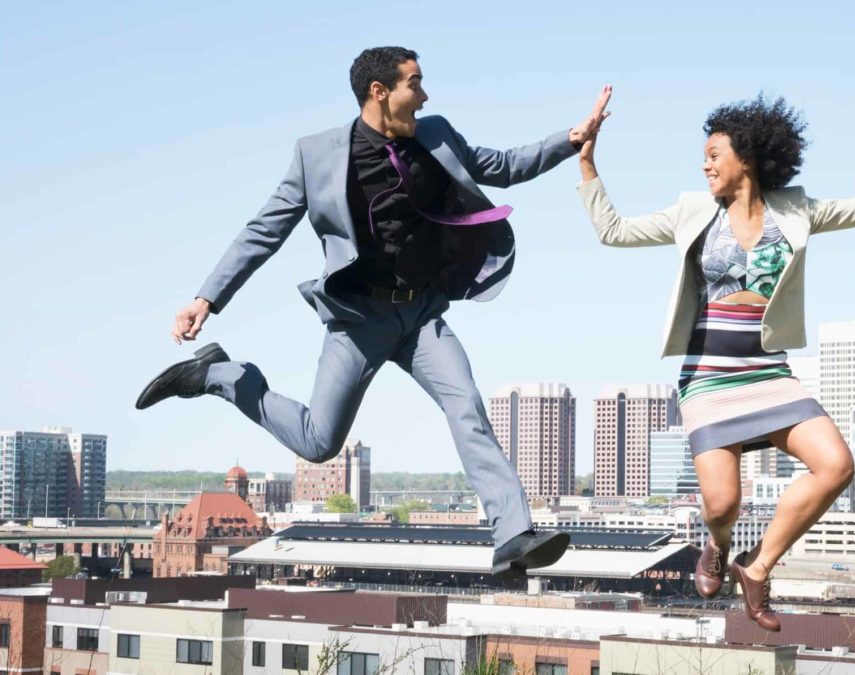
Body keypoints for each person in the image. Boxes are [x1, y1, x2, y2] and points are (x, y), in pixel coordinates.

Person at [136, 46, 611, 577]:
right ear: (380, 92)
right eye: (416, 83)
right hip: (359, 319)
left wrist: (571, 140)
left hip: (422, 316)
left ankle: (511, 536)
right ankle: (218, 374)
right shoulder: (315, 155)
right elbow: (264, 231)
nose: (425, 94)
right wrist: (207, 298)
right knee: (318, 443)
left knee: (468, 407)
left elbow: (501, 166)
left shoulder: (436, 135)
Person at [576, 88, 855, 629]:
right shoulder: (693, 212)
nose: (705, 164)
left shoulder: (794, 212)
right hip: (709, 375)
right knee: (721, 506)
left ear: (746, 157)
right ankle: (718, 548)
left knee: (837, 465)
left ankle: (758, 566)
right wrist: (587, 162)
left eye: (714, 154)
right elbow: (614, 231)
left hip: (769, 370)